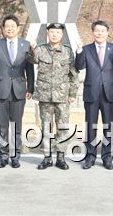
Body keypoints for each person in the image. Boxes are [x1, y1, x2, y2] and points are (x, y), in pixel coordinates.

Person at [27, 23, 79, 170]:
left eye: (57, 32)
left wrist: (73, 93)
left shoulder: (68, 52)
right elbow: (31, 60)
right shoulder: (40, 49)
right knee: (46, 127)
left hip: (63, 96)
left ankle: (61, 158)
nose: (54, 34)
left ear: (62, 34)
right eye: (52, 32)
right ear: (47, 33)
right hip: (44, 96)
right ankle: (47, 157)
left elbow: (73, 74)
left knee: (62, 127)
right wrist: (31, 48)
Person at [0, 14, 34, 168]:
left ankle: (15, 157)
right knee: (3, 125)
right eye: (7, 27)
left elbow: (30, 68)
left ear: (18, 28)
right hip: (1, 89)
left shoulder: (26, 45)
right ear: (4, 29)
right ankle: (3, 156)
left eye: (13, 26)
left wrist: (30, 88)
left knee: (17, 126)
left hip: (19, 90)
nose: (10, 29)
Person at [75, 20, 113, 170]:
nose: (100, 33)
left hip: (110, 93)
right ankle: (90, 157)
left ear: (107, 32)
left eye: (102, 31)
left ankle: (107, 157)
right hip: (91, 92)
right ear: (93, 32)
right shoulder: (86, 49)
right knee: (91, 126)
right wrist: (78, 52)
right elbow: (79, 66)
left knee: (108, 126)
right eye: (97, 30)